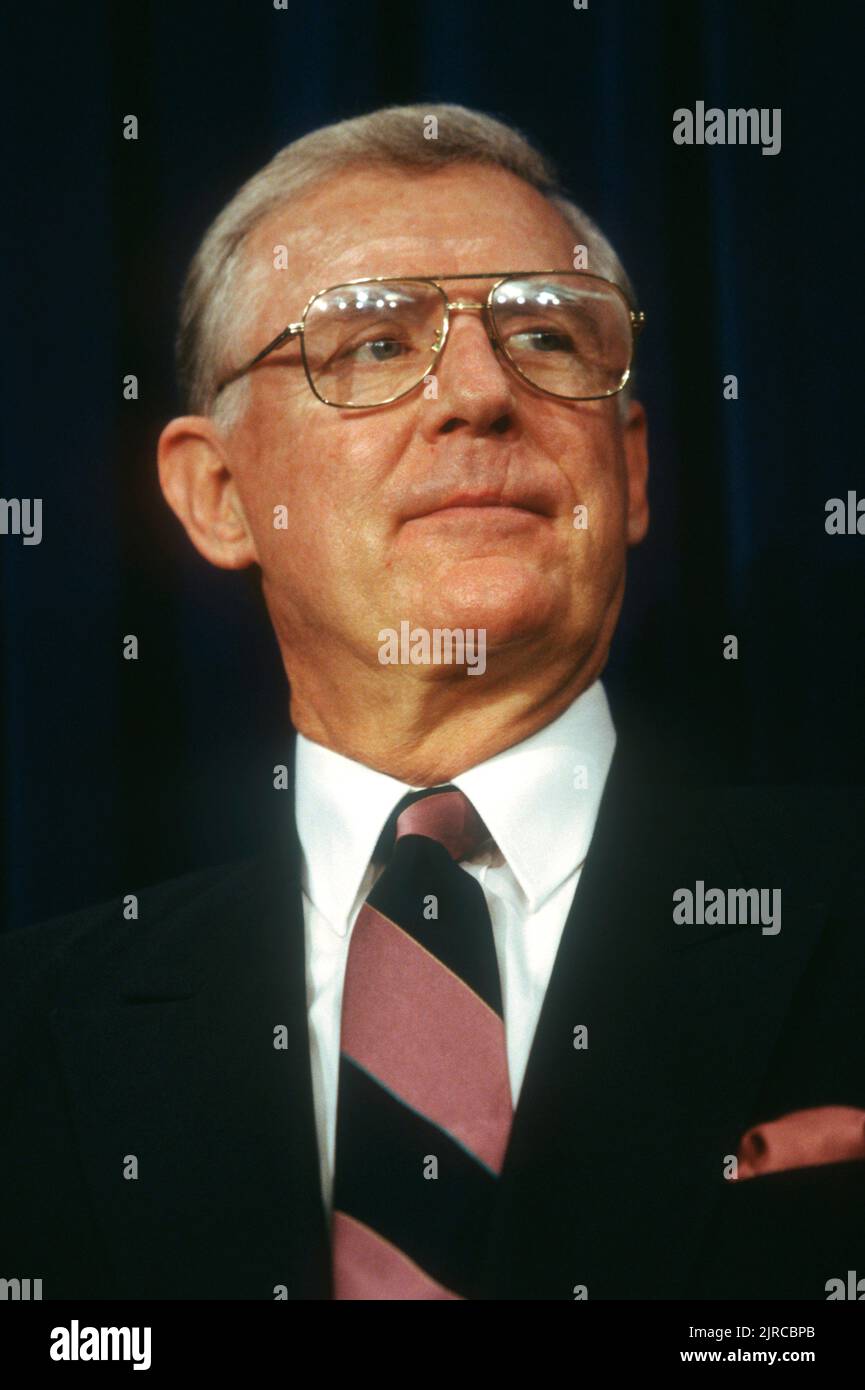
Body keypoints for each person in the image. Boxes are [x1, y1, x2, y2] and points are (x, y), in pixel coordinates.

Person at [2, 104, 863, 1302]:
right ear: (217, 496)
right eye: (370, 344)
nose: (476, 393)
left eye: (549, 337)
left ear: (630, 468)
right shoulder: (26, 1036)